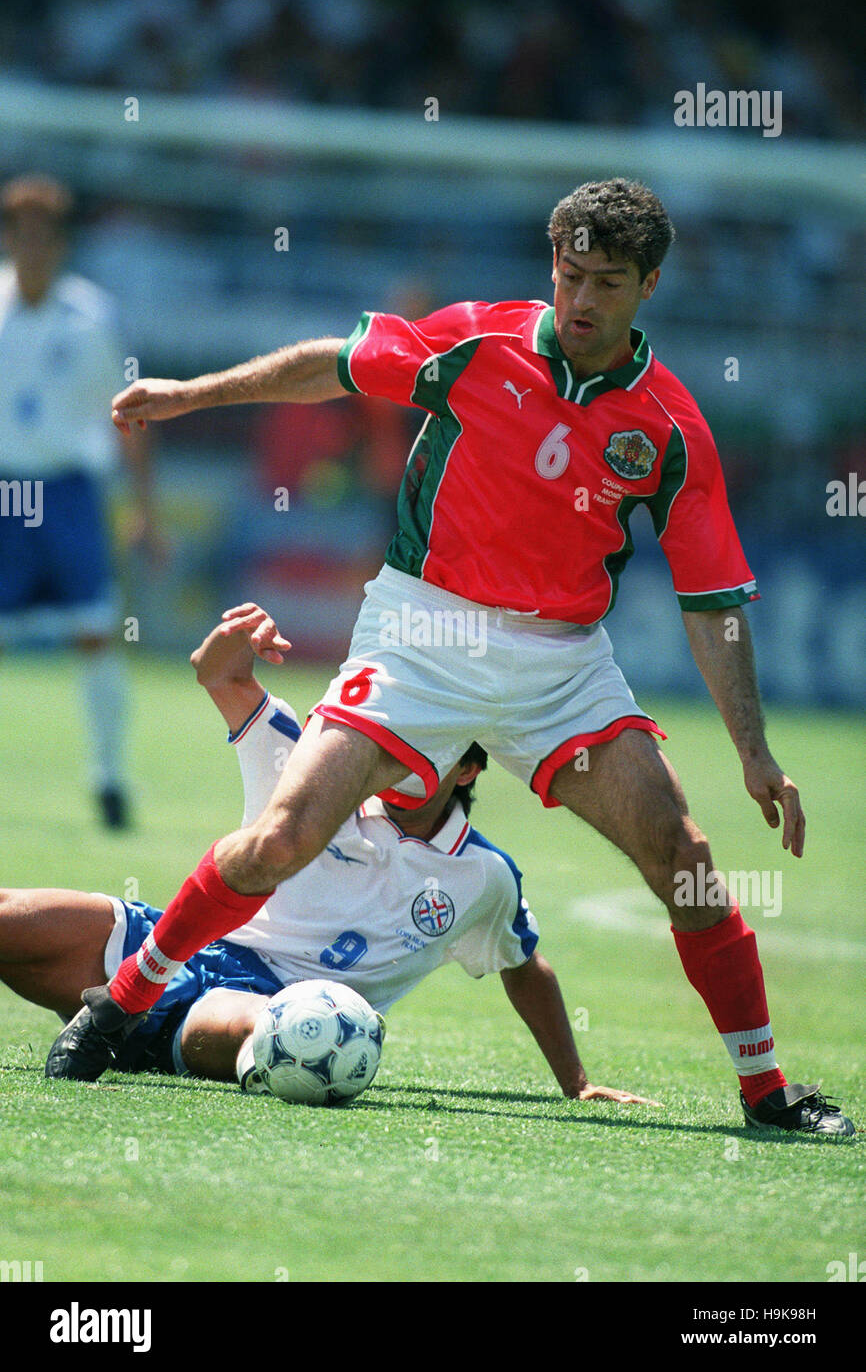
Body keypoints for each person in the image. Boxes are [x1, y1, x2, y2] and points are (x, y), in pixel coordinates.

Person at [51, 178, 852, 1136]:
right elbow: (335, 367)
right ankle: (120, 1005)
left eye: (606, 280)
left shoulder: (671, 429)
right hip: (423, 635)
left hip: (561, 664)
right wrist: (191, 393)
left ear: (649, 286)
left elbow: (713, 602)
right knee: (278, 839)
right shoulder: (479, 339)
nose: (582, 299)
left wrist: (755, 754)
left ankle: (768, 1094)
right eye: (569, 273)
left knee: (685, 860)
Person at [1, 604, 655, 1105]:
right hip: (154, 945)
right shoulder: (309, 767)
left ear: (466, 771)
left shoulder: (481, 877)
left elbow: (524, 965)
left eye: (428, 741)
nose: (399, 745)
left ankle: (150, 1040)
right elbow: (219, 674)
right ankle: (124, 1020)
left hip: (272, 1003)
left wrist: (576, 1083)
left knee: (286, 1030)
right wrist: (230, 643)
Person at [0, 174, 160, 829]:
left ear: (62, 243)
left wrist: (144, 507)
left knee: (95, 632)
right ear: (8, 237)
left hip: (69, 492)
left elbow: (130, 413)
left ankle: (109, 779)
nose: (33, 246)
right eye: (21, 232)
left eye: (45, 234)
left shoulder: (93, 317)